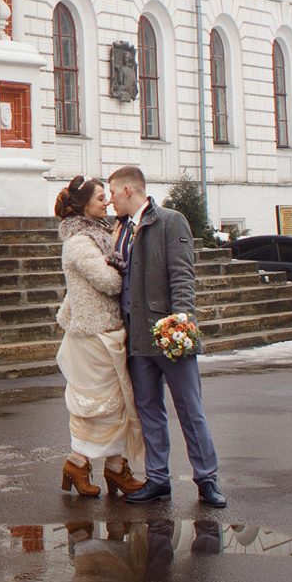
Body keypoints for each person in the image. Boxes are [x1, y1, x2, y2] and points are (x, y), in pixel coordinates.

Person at [110, 166, 227, 507]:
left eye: (113, 192)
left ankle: (207, 481)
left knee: (190, 409)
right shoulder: (123, 229)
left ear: (129, 191)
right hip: (137, 338)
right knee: (149, 410)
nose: (111, 199)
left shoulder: (170, 221)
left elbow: (182, 276)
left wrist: (182, 324)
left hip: (169, 334)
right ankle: (158, 479)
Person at [53, 174, 146, 498]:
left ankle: (113, 468)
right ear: (82, 206)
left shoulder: (99, 235)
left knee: (117, 404)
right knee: (99, 406)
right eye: (100, 198)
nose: (107, 202)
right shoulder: (80, 242)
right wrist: (121, 260)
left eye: (107, 197)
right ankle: (79, 464)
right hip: (93, 334)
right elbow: (111, 283)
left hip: (106, 329)